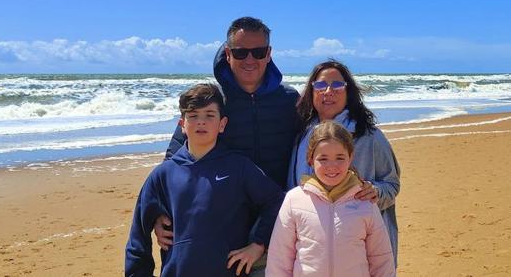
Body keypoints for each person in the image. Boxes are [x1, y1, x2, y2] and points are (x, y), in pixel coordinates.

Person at [157, 17, 302, 275]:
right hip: (221, 227)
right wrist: (161, 213)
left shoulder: (289, 100)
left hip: (278, 222)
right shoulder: (212, 102)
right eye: (240, 52)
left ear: (268, 54)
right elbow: (175, 159)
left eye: (258, 52)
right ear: (227, 53)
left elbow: (318, 145)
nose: (250, 60)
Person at [125, 83, 284, 276]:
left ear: (222, 124)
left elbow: (277, 200)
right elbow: (138, 237)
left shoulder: (239, 167)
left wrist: (259, 244)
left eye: (209, 115)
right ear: (182, 124)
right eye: (193, 116)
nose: (201, 122)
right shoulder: (163, 174)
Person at [287, 60, 401, 265]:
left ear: (348, 91)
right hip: (313, 248)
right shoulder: (302, 136)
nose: (328, 91)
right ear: (311, 92)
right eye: (320, 85)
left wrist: (375, 191)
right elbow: (293, 190)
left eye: (337, 85)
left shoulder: (369, 136)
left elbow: (392, 184)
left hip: (360, 249)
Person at [266, 121, 395, 277]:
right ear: (310, 159)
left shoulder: (365, 201)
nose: (332, 166)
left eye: (340, 158)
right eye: (323, 159)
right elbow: (279, 260)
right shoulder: (294, 200)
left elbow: (381, 260)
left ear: (350, 157)